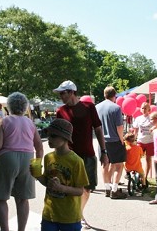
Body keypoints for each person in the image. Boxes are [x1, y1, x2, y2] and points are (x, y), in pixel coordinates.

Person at [54, 80, 108, 229]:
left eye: (62, 93)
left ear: (72, 92)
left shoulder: (88, 107)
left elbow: (98, 129)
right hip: (68, 157)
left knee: (86, 189)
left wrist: (104, 152)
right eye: (59, 94)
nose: (60, 96)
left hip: (87, 155)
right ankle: (74, 216)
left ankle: (78, 213)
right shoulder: (60, 111)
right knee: (69, 188)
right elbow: (58, 135)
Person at [0, 92, 44, 231]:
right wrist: (37, 167)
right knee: (22, 199)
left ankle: (5, 229)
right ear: (25, 106)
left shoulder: (4, 121)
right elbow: (39, 147)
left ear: (9, 106)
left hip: (7, 158)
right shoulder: (30, 122)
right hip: (28, 159)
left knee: (1, 197)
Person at [34, 119, 89, 231]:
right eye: (48, 135)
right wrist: (38, 175)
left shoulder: (76, 161)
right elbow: (48, 183)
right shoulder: (48, 157)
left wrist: (61, 188)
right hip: (50, 214)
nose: (49, 139)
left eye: (53, 136)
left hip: (69, 216)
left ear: (65, 138)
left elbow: (80, 191)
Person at [95, 86, 127, 199]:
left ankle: (107, 188)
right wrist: (122, 139)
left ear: (104, 95)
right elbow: (119, 127)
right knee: (119, 165)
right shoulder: (116, 108)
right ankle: (114, 190)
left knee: (105, 165)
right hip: (114, 140)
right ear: (114, 95)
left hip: (102, 140)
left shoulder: (97, 107)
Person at [132, 102, 154, 188]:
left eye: (145, 108)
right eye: (142, 108)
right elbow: (135, 131)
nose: (144, 110)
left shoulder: (151, 118)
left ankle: (145, 176)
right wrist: (133, 140)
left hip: (150, 141)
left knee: (148, 159)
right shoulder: (138, 119)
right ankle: (137, 173)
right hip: (140, 141)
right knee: (137, 157)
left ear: (149, 109)